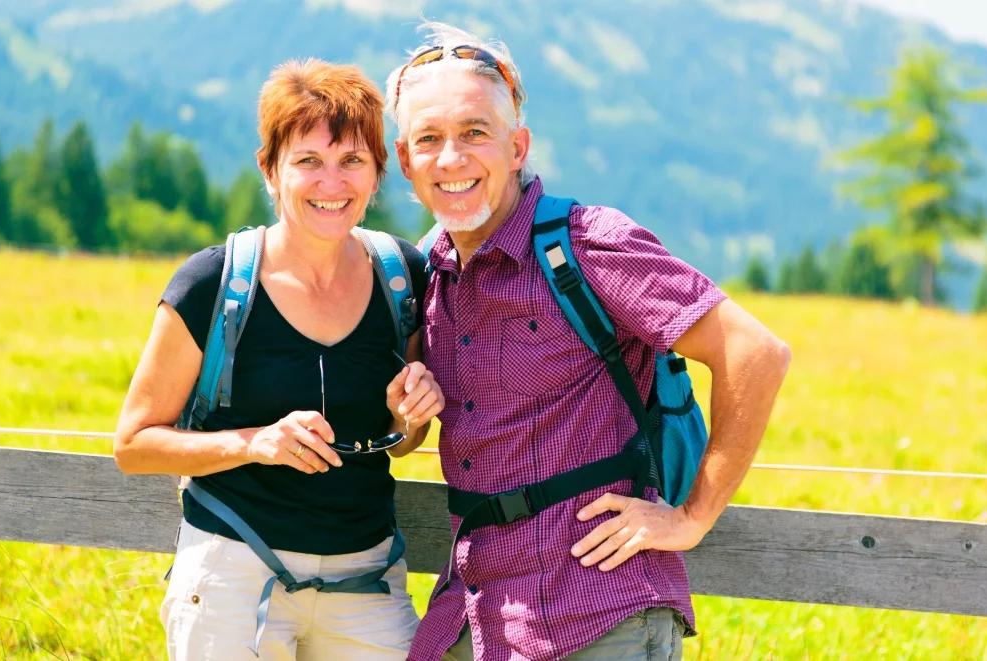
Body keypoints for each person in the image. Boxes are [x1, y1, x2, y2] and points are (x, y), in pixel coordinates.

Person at [386, 23, 791, 661]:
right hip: (472, 616)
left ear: (517, 147)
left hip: (595, 614)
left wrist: (692, 518)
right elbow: (410, 439)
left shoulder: (586, 243)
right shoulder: (430, 278)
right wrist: (405, 411)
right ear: (406, 162)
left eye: (474, 133)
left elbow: (756, 353)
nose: (452, 158)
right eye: (429, 139)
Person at [114, 58, 444, 660]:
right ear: (270, 170)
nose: (332, 183)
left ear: (377, 174)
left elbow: (400, 444)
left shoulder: (404, 279)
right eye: (308, 161)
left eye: (351, 161)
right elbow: (133, 445)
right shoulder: (212, 283)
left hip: (366, 580)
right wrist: (253, 442)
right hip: (234, 576)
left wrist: (408, 419)